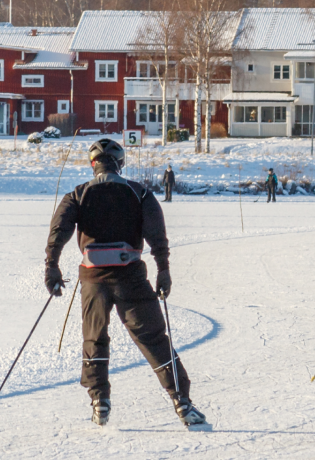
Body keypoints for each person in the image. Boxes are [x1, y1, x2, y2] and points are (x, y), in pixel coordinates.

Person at [45, 137, 207, 429]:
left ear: (93, 164)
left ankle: (99, 400)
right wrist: (164, 270)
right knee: (153, 339)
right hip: (130, 277)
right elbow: (157, 236)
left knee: (94, 339)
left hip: (93, 280)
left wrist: (52, 267)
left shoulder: (77, 194)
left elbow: (59, 231)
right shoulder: (140, 193)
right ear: (120, 164)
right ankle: (181, 401)